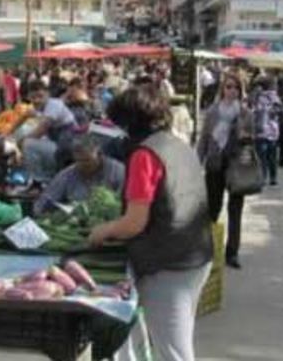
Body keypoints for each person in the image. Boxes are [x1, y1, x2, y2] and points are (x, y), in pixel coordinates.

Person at [90, 86, 213, 361]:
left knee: (174, 352)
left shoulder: (144, 155)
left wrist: (103, 231)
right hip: (196, 254)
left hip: (168, 263)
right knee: (172, 340)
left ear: (130, 122)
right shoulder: (178, 144)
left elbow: (135, 222)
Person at [197, 73, 250, 269]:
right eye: (228, 87)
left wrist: (244, 134)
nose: (232, 91)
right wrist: (198, 162)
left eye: (236, 87)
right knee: (212, 209)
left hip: (236, 166)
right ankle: (208, 248)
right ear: (222, 89)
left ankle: (232, 253)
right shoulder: (212, 112)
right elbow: (204, 139)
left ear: (240, 90)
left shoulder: (245, 113)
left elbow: (252, 140)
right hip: (215, 164)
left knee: (235, 211)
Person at [33, 135, 125, 216]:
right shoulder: (68, 174)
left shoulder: (118, 171)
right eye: (79, 161)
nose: (83, 165)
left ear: (99, 154)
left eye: (87, 160)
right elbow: (45, 200)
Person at [20, 81, 78, 184]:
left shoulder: (53, 105)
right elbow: (26, 117)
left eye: (40, 96)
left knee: (28, 144)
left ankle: (40, 179)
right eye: (33, 97)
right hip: (60, 143)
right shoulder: (42, 106)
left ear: (48, 95)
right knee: (27, 136)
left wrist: (21, 142)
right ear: (29, 97)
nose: (37, 100)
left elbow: (41, 130)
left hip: (67, 148)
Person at [251, 76, 282, 186]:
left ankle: (263, 177)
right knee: (272, 156)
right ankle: (273, 177)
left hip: (260, 131)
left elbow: (253, 112)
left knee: (261, 157)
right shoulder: (275, 98)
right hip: (272, 131)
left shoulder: (257, 97)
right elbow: (279, 112)